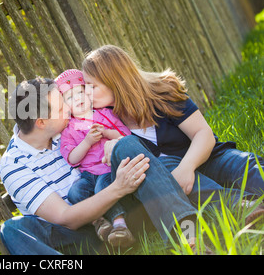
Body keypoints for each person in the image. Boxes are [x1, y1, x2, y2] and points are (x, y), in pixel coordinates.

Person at [0, 77, 198, 255]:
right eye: (61, 109)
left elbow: (107, 124)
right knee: (12, 229)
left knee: (142, 153)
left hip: (120, 210)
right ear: (41, 122)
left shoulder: (65, 126)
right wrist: (118, 188)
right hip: (83, 235)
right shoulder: (14, 165)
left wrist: (114, 145)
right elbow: (66, 218)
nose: (68, 109)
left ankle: (188, 237)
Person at [81, 44, 264, 224]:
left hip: (208, 158)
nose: (86, 93)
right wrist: (113, 144)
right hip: (171, 184)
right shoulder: (104, 121)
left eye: (92, 86)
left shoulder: (163, 90)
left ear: (114, 80)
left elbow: (203, 133)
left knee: (246, 167)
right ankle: (242, 206)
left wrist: (187, 167)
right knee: (165, 165)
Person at [55, 69, 134, 248]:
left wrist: (106, 132)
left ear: (87, 92)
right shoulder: (68, 130)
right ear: (65, 106)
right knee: (75, 193)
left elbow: (125, 135)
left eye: (79, 92)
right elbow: (72, 158)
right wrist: (87, 142)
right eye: (69, 97)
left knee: (102, 189)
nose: (76, 98)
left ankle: (120, 224)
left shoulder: (105, 114)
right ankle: (98, 221)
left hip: (108, 168)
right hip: (88, 173)